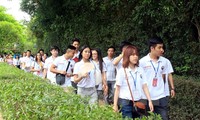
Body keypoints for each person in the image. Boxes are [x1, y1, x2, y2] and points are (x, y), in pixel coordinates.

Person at [113, 45, 153, 119]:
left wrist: (150, 101)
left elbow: (144, 86)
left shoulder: (140, 70)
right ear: (127, 56)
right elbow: (117, 88)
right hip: (125, 102)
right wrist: (115, 105)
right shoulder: (122, 71)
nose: (135, 57)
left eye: (136, 55)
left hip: (138, 102)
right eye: (133, 55)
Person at [139, 37, 169, 120]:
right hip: (146, 97)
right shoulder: (142, 62)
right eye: (159, 47)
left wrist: (166, 93)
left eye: (162, 47)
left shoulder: (165, 61)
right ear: (152, 48)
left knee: (164, 118)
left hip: (161, 96)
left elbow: (164, 78)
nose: (162, 50)